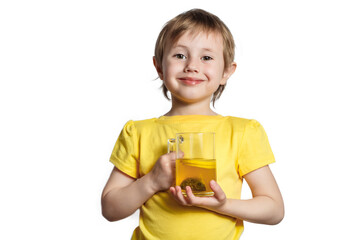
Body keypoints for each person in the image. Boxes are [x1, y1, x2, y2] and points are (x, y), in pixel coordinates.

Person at [101, 8, 284, 240]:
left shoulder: (242, 132)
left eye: (206, 57)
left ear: (226, 71)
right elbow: (110, 209)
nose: (192, 66)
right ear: (159, 67)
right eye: (180, 55)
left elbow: (274, 209)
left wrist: (221, 204)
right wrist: (152, 181)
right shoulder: (137, 133)